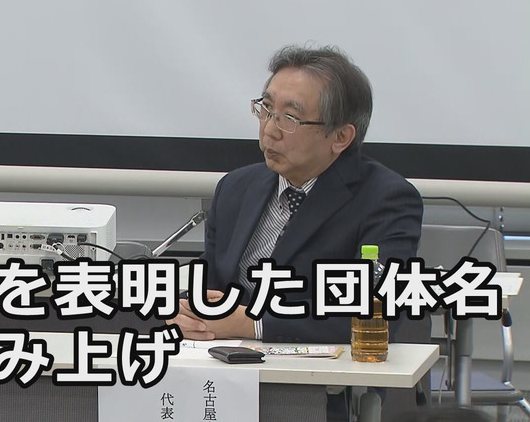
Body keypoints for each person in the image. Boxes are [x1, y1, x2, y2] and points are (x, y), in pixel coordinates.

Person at [169, 45, 423, 344]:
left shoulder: (386, 199)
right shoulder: (236, 188)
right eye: (266, 109)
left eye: (289, 118)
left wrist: (253, 323)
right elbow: (211, 283)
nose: (269, 130)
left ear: (341, 137)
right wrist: (183, 311)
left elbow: (375, 307)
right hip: (227, 361)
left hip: (323, 371)